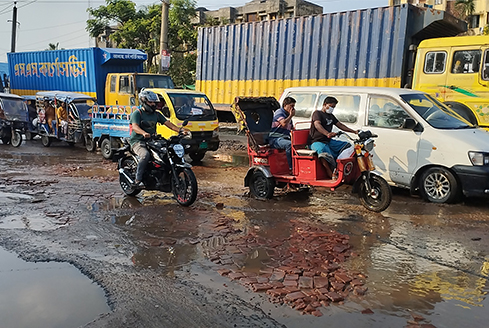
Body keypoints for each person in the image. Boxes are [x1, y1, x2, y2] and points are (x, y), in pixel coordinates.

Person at [130, 89, 189, 188]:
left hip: (153, 140)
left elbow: (168, 123)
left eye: (154, 102)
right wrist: (143, 133)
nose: (153, 104)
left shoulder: (157, 114)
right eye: (151, 102)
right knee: (145, 155)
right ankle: (138, 180)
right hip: (138, 141)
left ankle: (164, 178)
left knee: (166, 152)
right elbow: (135, 127)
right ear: (144, 101)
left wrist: (180, 130)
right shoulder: (138, 113)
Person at [309, 97, 359, 179]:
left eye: (334, 107)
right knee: (323, 153)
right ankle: (330, 173)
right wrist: (327, 133)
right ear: (325, 105)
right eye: (331, 106)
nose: (332, 108)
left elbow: (340, 125)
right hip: (316, 141)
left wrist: (354, 131)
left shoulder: (331, 116)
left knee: (347, 146)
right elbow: (317, 125)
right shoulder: (317, 113)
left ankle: (340, 167)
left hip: (328, 141)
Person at [268, 96, 296, 172]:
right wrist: (291, 115)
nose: (292, 109)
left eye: (293, 106)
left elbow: (292, 129)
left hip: (285, 138)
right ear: (285, 105)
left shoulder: (288, 116)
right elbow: (283, 123)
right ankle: (291, 168)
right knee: (289, 145)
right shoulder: (279, 112)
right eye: (291, 106)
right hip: (275, 139)